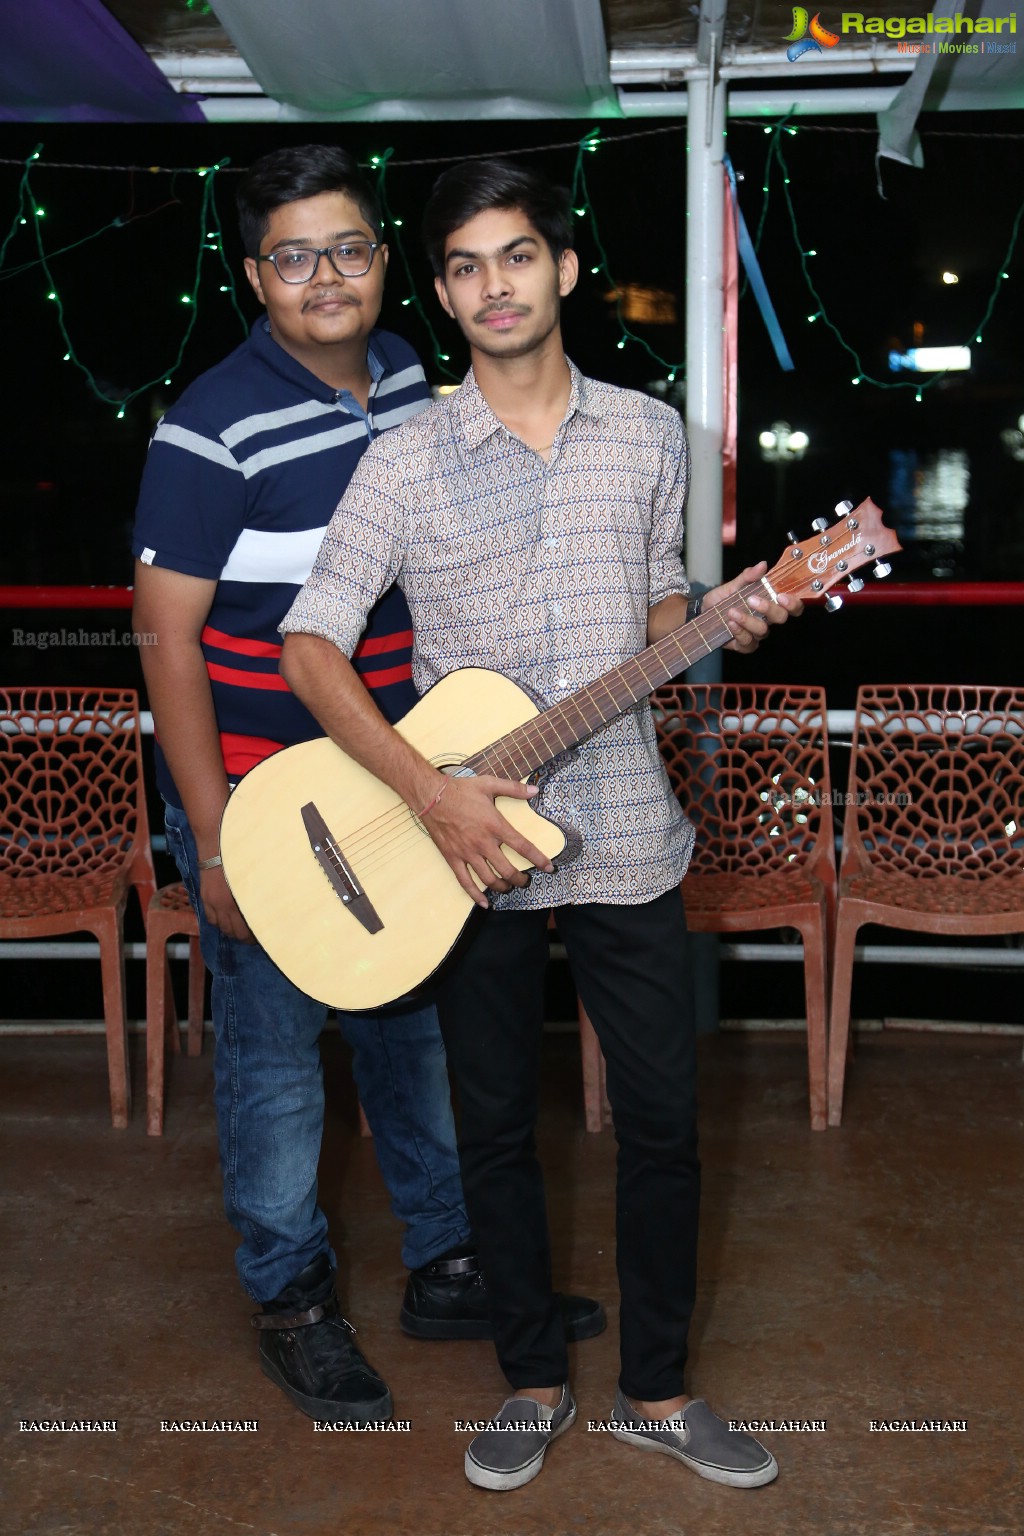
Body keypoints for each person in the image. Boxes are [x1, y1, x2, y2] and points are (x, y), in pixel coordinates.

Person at [278, 157, 799, 1488]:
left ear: (563, 271)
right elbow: (311, 646)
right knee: (492, 1126)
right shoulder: (403, 458)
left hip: (626, 821)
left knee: (667, 1123)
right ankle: (527, 1376)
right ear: (445, 295)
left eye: (515, 256)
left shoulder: (646, 433)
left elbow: (657, 624)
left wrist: (735, 611)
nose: (490, 285)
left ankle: (662, 1392)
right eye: (462, 266)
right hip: (464, 844)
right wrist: (427, 790)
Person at [130, 145, 604, 1428]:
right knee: (280, 1061)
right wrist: (215, 843)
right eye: (293, 255)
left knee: (410, 1016)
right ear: (254, 275)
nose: (325, 276)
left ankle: (448, 1263)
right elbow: (166, 637)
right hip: (255, 790)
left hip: (392, 774)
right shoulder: (209, 425)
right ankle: (291, 1300)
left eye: (347, 248)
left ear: (385, 261)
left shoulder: (410, 378)